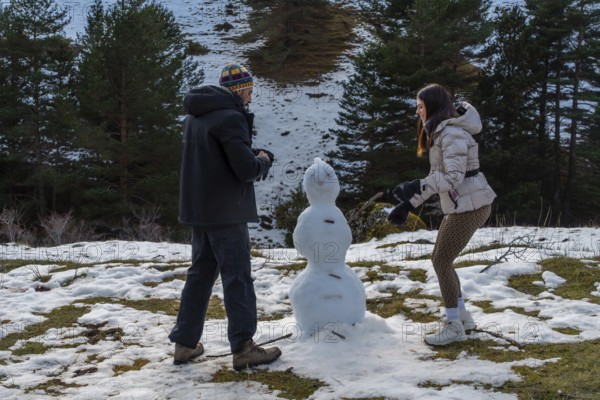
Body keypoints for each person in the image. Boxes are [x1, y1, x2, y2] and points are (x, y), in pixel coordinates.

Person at [169, 63, 282, 370]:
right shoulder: (231, 118)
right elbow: (245, 171)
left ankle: (185, 344)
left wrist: (248, 152)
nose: (251, 97)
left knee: (200, 276)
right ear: (241, 90)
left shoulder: (195, 116)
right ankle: (244, 348)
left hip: (200, 212)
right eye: (249, 91)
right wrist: (263, 160)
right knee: (238, 278)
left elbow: (215, 158)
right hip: (226, 213)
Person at [388, 83, 496, 346]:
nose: (417, 112)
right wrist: (410, 203)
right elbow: (436, 178)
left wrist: (416, 186)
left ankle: (453, 326)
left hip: (471, 206)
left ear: (433, 106)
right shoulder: (442, 132)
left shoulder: (452, 135)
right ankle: (462, 318)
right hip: (465, 204)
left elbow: (452, 178)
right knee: (443, 260)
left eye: (421, 106)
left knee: (441, 262)